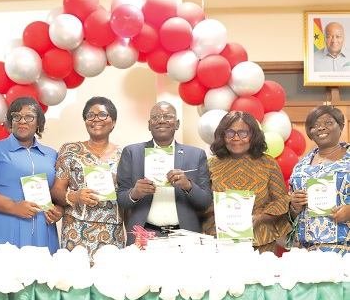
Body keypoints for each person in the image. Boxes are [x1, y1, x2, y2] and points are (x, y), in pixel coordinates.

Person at [0, 96, 62, 254]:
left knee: (40, 277)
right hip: (1, 228)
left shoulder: (51, 155)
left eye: (29, 117)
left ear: (38, 123)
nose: (22, 121)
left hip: (42, 230)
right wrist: (13, 206)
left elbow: (57, 191)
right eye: (16, 116)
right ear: (10, 121)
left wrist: (59, 210)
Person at [117, 101, 212, 245]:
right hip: (144, 236)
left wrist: (188, 186)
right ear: (149, 124)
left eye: (168, 116)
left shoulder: (196, 155)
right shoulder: (131, 152)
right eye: (156, 117)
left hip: (184, 237)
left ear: (177, 123)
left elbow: (205, 201)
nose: (161, 120)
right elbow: (121, 199)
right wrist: (134, 193)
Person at [201, 111, 291, 253]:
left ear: (253, 135)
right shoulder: (211, 165)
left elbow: (282, 200)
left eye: (243, 133)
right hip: (219, 242)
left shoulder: (268, 164)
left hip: (260, 241)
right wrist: (219, 207)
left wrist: (260, 217)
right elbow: (201, 202)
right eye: (229, 133)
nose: (236, 138)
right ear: (222, 136)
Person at [51, 96, 124, 265]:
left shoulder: (124, 154)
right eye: (90, 115)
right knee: (76, 286)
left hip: (112, 231)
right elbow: (56, 191)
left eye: (103, 115)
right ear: (85, 121)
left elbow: (127, 196)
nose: (96, 119)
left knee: (110, 286)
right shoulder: (70, 150)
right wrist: (73, 197)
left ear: (113, 122)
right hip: (76, 231)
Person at [288, 105, 350, 255]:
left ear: (341, 126)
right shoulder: (301, 166)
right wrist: (294, 207)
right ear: (309, 132)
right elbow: (292, 214)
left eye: (328, 123)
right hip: (309, 252)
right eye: (314, 125)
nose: (321, 128)